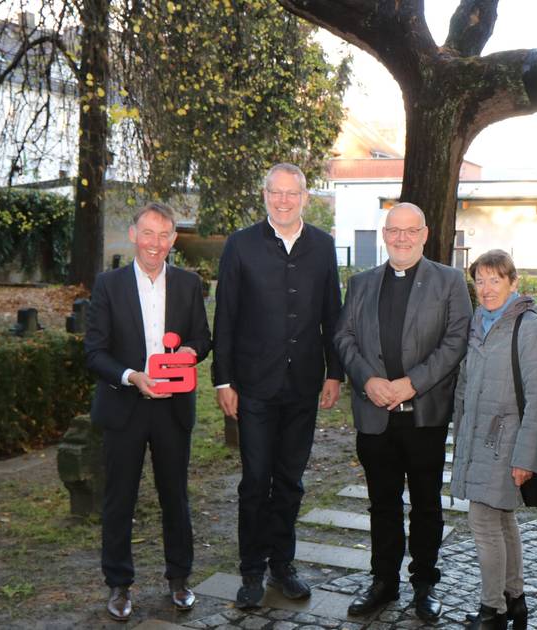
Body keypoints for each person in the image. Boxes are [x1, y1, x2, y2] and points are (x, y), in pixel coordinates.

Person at [212, 163, 344, 609]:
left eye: (292, 193)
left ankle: (282, 565)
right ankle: (251, 570)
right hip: (253, 385)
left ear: (305, 197)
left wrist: (335, 372)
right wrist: (223, 380)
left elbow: (333, 313)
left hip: (303, 384)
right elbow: (225, 315)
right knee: (255, 481)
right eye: (275, 193)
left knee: (290, 481)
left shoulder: (324, 247)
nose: (283, 201)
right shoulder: (241, 245)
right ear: (264, 195)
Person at [333, 202, 471, 622]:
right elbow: (344, 337)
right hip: (375, 413)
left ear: (425, 234)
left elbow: (456, 340)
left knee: (427, 503)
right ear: (384, 234)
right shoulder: (360, 284)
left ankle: (425, 583)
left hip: (423, 414)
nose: (402, 238)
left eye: (410, 231)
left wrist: (412, 382)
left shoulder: (448, 281)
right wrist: (367, 381)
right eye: (394, 230)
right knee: (382, 503)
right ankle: (383, 581)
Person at [84, 202, 211, 622]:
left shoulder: (189, 284)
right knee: (120, 499)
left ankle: (179, 579)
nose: (156, 243)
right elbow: (95, 352)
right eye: (148, 234)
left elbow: (202, 338)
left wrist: (193, 351)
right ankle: (119, 585)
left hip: (173, 409)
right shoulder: (108, 285)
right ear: (134, 235)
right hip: (125, 407)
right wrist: (131, 376)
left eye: (164, 235)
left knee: (175, 496)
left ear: (174, 239)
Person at [450, 250, 537, 630]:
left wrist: (526, 457)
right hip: (478, 437)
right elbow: (467, 379)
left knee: (483, 522)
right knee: (503, 520)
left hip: (507, 441)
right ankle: (514, 599)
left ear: (513, 282)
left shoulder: (528, 324)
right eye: (480, 281)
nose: (487, 289)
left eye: (495, 280)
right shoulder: (479, 320)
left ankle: (492, 611)